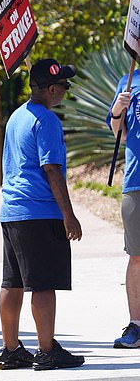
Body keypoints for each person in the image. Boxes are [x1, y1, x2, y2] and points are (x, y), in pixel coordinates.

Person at [0, 58, 84, 370]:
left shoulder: (17, 116)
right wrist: (68, 215)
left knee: (12, 282)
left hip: (12, 210)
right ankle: (46, 350)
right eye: (63, 85)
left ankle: (11, 349)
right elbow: (52, 169)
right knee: (43, 284)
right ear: (50, 88)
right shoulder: (46, 120)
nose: (65, 90)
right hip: (39, 211)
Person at [106, 67, 140, 349]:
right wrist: (118, 109)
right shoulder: (128, 80)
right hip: (136, 182)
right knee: (137, 256)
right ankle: (136, 325)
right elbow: (119, 132)